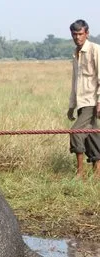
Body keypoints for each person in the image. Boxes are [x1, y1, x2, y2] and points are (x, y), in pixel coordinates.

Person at [67, 19, 100, 179]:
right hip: (81, 102)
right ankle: (97, 170)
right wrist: (71, 105)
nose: (77, 37)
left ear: (87, 33)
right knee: (92, 135)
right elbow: (75, 81)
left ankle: (80, 172)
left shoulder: (95, 50)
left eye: (80, 34)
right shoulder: (75, 53)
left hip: (92, 101)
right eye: (74, 34)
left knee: (75, 132)